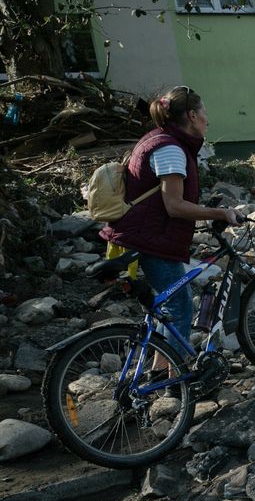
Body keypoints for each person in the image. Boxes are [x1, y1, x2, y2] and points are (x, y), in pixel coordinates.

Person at [100, 86, 240, 344]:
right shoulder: (171, 150)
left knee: (171, 307)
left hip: (146, 235)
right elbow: (174, 205)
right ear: (192, 116)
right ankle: (174, 382)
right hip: (149, 239)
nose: (208, 119)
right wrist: (220, 213)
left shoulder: (160, 139)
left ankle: (161, 372)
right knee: (179, 308)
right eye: (205, 112)